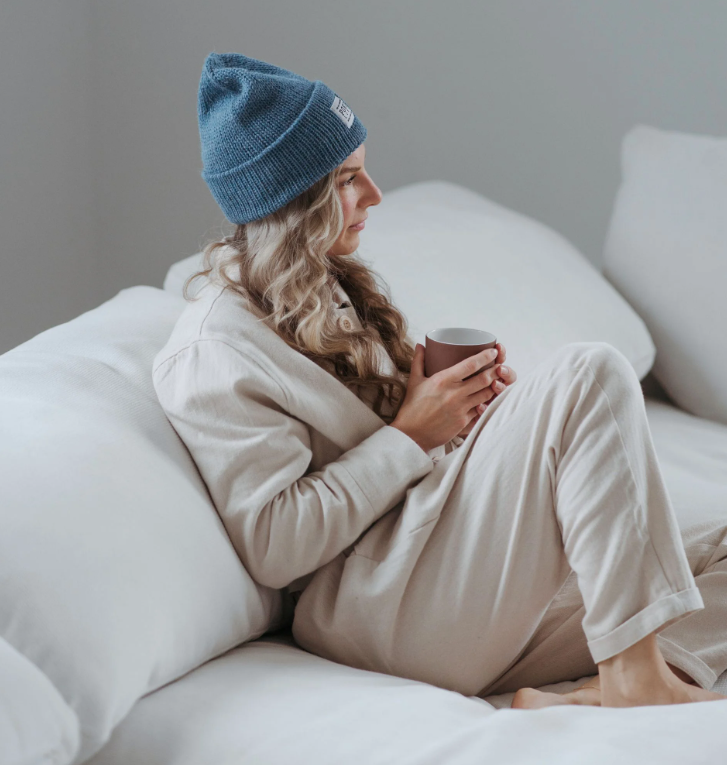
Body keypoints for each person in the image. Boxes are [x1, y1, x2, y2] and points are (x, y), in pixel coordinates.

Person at [152, 51, 727, 709]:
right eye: (347, 180)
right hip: (375, 607)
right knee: (587, 373)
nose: (372, 196)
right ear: (293, 203)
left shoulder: (330, 290)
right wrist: (409, 434)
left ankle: (636, 677)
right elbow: (275, 547)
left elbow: (401, 460)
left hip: (442, 574)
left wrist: (468, 424)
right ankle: (633, 681)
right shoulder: (217, 347)